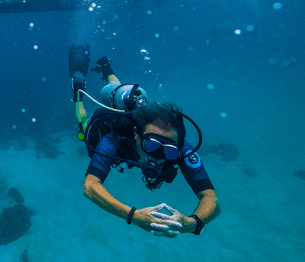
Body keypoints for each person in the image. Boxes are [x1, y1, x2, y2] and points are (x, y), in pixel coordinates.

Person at [69, 45, 220, 237]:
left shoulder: (180, 146)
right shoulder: (114, 140)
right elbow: (90, 187)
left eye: (169, 152)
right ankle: (78, 91)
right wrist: (135, 216)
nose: (158, 157)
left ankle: (107, 69)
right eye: (151, 146)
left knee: (125, 96)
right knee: (83, 127)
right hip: (112, 125)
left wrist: (191, 223)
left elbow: (211, 198)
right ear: (136, 134)